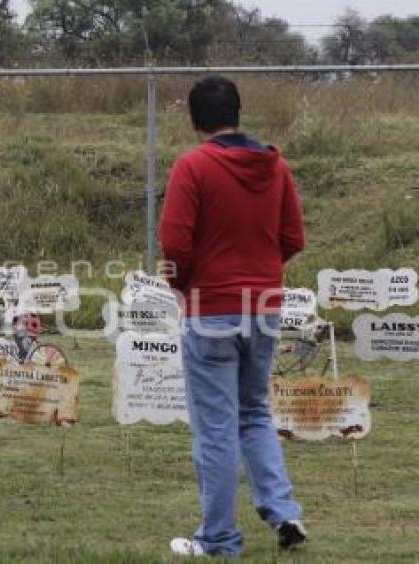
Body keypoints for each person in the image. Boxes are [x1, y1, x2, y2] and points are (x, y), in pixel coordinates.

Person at [158, 76, 307, 558]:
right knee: (255, 413)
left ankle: (218, 537)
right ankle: (284, 513)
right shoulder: (275, 166)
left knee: (216, 427)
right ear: (238, 113)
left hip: (211, 311)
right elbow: (292, 239)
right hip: (264, 307)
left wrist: (183, 284)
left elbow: (175, 243)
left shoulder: (193, 166)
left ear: (194, 119)